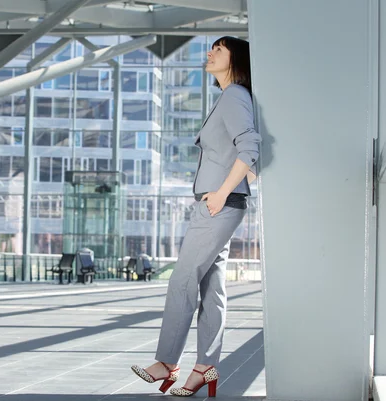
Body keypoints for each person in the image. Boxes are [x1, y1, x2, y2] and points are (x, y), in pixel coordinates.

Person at [130, 36, 261, 397]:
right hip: (223, 204)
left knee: (182, 281)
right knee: (211, 289)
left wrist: (220, 192)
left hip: (218, 205)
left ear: (236, 59)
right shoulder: (231, 97)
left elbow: (250, 147)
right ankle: (205, 367)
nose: (210, 53)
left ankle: (166, 363)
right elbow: (247, 155)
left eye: (219, 49)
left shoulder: (235, 95)